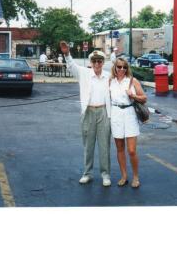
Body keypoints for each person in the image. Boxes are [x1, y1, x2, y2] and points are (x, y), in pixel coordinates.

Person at [60, 40, 112, 186]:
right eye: (94, 61)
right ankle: (87, 173)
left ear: (103, 62)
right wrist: (67, 54)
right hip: (88, 111)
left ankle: (105, 175)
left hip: (103, 112)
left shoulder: (108, 76)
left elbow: (122, 80)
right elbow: (71, 66)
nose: (97, 64)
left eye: (99, 61)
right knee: (88, 145)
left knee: (104, 145)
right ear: (91, 62)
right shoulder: (84, 73)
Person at [109, 57, 147, 188]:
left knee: (131, 150)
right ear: (114, 67)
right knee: (120, 149)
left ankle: (136, 177)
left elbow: (144, 98)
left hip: (130, 114)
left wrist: (133, 96)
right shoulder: (110, 82)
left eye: (124, 67)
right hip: (116, 114)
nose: (122, 69)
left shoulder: (132, 80)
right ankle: (124, 176)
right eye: (119, 67)